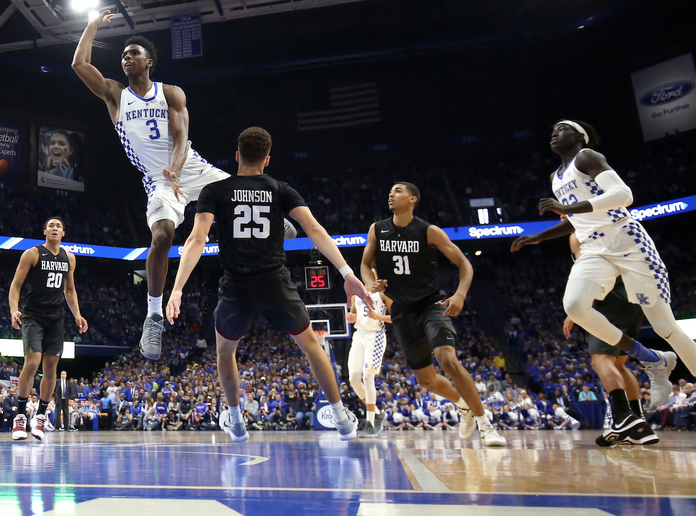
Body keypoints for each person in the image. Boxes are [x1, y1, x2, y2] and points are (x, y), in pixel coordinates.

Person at [72, 13, 294, 359]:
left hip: (190, 166)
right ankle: (154, 316)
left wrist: (176, 170)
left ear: (149, 62)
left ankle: (277, 224)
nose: (126, 58)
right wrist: (93, 25)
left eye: (132, 54)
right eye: (123, 56)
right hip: (157, 181)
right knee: (161, 236)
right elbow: (79, 63)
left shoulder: (171, 93)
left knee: (245, 190)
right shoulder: (115, 95)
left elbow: (181, 137)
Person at [511, 120, 696, 448]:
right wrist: (539, 236)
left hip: (626, 240)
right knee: (575, 306)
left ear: (579, 136)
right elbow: (577, 221)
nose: (554, 132)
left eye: (562, 128)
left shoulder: (587, 157)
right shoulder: (556, 178)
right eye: (551, 129)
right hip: (594, 245)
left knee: (667, 328)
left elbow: (623, 195)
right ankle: (654, 359)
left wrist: (567, 209)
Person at [166, 126, 372, 443]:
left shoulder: (215, 190)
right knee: (311, 347)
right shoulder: (280, 189)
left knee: (224, 351)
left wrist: (177, 288)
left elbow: (196, 239)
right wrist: (346, 272)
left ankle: (235, 420)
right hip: (276, 281)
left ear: (237, 156)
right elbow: (314, 229)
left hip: (236, 285)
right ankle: (341, 416)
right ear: (267, 160)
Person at [361, 182, 507, 447]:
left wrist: (460, 293)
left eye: (398, 190)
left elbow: (464, 264)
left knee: (446, 358)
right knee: (425, 379)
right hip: (402, 311)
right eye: (390, 190)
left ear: (413, 199)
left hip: (431, 305)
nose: (391, 194)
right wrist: (371, 281)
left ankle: (486, 425)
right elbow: (364, 263)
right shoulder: (377, 229)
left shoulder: (428, 231)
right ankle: (464, 407)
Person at [561, 235, 657, 446]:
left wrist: (575, 309)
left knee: (600, 360)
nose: (561, 214)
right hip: (634, 297)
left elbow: (587, 277)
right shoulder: (610, 227)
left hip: (610, 298)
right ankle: (640, 426)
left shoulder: (578, 235)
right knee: (620, 365)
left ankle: (624, 416)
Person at [8, 217, 87, 441]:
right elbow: (16, 285)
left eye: (58, 226)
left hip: (56, 317)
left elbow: (70, 291)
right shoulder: (32, 254)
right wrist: (14, 310)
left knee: (51, 367)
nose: (54, 228)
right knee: (32, 361)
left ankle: (41, 417)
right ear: (44, 231)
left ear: (63, 233)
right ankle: (20, 416)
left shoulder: (69, 258)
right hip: (33, 315)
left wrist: (78, 315)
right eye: (51, 225)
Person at [345, 288, 391, 436]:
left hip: (375, 335)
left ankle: (370, 421)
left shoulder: (383, 294)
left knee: (368, 376)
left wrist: (378, 316)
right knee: (353, 379)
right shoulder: (356, 294)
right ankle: (377, 413)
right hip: (359, 336)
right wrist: (351, 317)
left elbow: (397, 317)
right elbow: (354, 316)